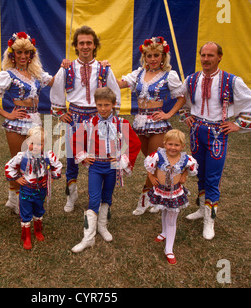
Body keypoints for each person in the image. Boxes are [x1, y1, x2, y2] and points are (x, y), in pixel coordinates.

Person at [181, 42, 251, 240]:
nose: (206, 59)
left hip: (217, 132)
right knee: (199, 172)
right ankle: (201, 210)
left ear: (219, 57)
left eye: (210, 55)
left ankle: (209, 221)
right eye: (203, 55)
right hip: (196, 130)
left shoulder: (231, 80)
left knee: (213, 178)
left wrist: (238, 124)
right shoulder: (191, 79)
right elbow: (182, 98)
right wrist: (185, 115)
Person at [50, 25, 122, 213]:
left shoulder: (104, 68)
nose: (85, 46)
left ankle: (98, 197)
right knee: (73, 158)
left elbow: (114, 92)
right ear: (76, 45)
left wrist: (111, 115)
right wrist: (60, 112)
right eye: (81, 43)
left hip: (98, 117)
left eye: (89, 42)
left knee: (100, 158)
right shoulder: (67, 67)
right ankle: (71, 195)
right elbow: (57, 89)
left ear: (95, 45)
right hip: (75, 116)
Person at [0, 32, 54, 215]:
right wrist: (8, 113)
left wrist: (66, 67)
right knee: (19, 162)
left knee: (36, 159)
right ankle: (16, 200)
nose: (23, 56)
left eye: (27, 53)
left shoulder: (37, 74)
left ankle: (20, 198)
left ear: (32, 54)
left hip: (35, 120)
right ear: (12, 54)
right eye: (19, 53)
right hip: (16, 124)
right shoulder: (7, 75)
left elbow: (57, 81)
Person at [117, 36, 186, 216]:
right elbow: (119, 84)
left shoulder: (169, 75)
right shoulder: (138, 74)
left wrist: (169, 114)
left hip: (157, 123)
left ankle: (145, 198)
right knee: (150, 161)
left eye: (156, 55)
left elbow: (181, 97)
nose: (153, 59)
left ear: (163, 57)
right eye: (149, 55)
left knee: (155, 162)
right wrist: (103, 71)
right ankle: (160, 192)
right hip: (139, 123)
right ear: (144, 57)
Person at [70, 87, 141, 253]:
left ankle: (102, 227)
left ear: (114, 104)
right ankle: (88, 238)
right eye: (100, 105)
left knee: (107, 196)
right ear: (95, 104)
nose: (103, 108)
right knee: (94, 198)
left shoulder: (121, 123)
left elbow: (135, 144)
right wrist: (83, 156)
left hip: (113, 166)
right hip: (96, 166)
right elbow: (75, 141)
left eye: (107, 105)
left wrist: (122, 158)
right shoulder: (88, 123)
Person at [144, 129, 198, 265]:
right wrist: (152, 176)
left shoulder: (186, 159)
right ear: (164, 144)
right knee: (164, 210)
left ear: (182, 146)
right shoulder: (158, 155)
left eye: (176, 145)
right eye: (170, 144)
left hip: (175, 193)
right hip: (161, 191)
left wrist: (184, 175)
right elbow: (149, 167)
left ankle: (169, 249)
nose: (173, 148)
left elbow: (189, 169)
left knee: (172, 219)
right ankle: (164, 232)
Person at [5, 126, 62, 250]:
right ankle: (26, 236)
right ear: (27, 142)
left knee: (38, 209)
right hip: (27, 189)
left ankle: (37, 230)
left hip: (41, 189)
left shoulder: (48, 156)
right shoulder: (22, 156)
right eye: (32, 143)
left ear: (44, 144)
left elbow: (58, 166)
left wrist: (51, 178)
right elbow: (8, 166)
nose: (35, 147)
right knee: (25, 212)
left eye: (39, 144)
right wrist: (17, 178)